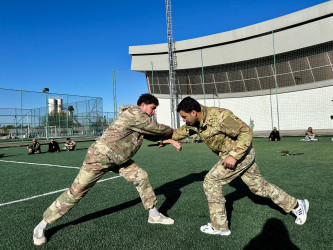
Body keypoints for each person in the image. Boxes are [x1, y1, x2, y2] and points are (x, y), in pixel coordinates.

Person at [33, 93, 182, 246]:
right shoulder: (134, 113)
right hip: (99, 158)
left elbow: (148, 133)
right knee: (76, 192)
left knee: (141, 176)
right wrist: (177, 132)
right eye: (153, 108)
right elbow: (155, 128)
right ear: (143, 105)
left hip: (118, 158)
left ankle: (153, 214)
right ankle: (42, 225)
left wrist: (169, 140)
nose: (154, 112)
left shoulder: (137, 118)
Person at [172, 97, 309, 236]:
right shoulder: (195, 123)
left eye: (184, 117)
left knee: (211, 181)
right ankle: (297, 205)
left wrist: (234, 155)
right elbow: (178, 133)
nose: (183, 120)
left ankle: (220, 227)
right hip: (239, 156)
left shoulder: (220, 116)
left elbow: (246, 132)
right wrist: (165, 139)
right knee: (259, 188)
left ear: (194, 112)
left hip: (240, 155)